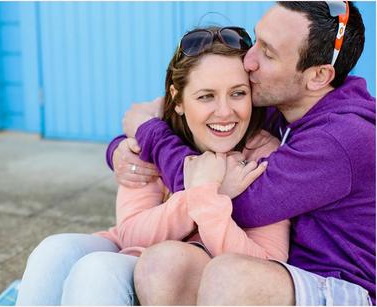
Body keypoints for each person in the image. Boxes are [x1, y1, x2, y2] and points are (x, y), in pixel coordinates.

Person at [107, 1, 375, 305]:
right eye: (257, 40)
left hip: (341, 286)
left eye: (268, 53)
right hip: (284, 276)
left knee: (229, 276)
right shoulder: (284, 105)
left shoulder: (340, 139)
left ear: (317, 76)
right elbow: (185, 113)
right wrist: (124, 148)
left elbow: (236, 202)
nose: (248, 60)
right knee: (165, 264)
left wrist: (151, 135)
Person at [16, 26, 291, 306]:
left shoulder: (263, 153)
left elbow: (266, 262)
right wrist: (202, 194)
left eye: (237, 93)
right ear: (178, 99)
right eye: (205, 96)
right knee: (53, 250)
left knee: (97, 269)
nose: (224, 111)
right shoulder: (156, 138)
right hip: (134, 251)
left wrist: (207, 201)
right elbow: (130, 232)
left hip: (188, 271)